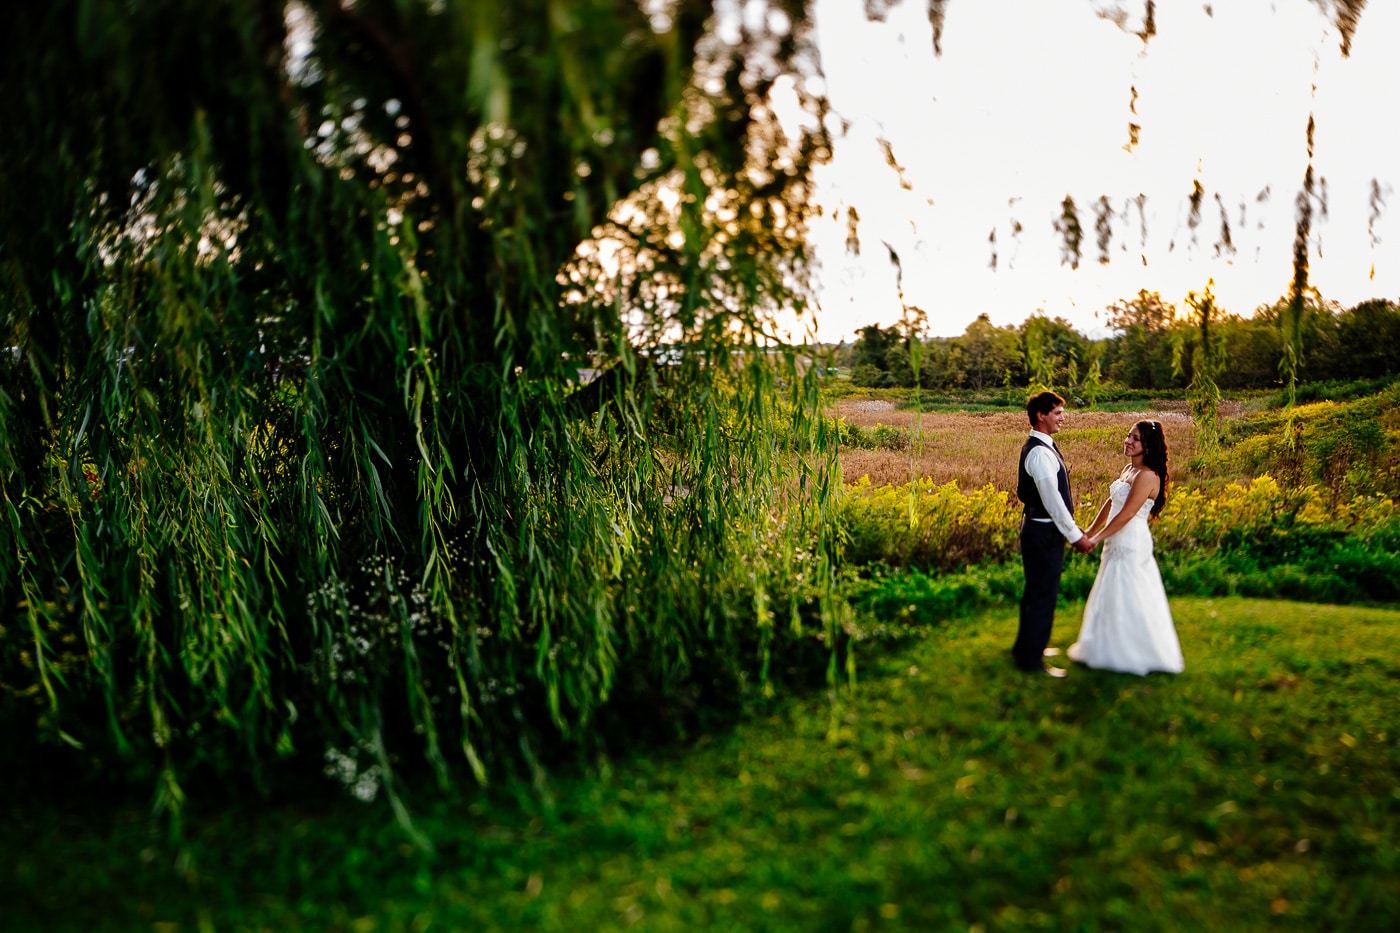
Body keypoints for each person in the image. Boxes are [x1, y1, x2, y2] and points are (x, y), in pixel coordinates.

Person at [1067, 420, 1184, 675]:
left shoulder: (1147, 476)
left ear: (1147, 446)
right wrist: (1089, 531)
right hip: (1115, 537)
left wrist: (1097, 539)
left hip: (1131, 540)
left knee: (1130, 592)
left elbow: (1128, 513)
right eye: (1128, 435)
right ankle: (1107, 646)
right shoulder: (1128, 470)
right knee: (1111, 590)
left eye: (1135, 439)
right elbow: (1111, 504)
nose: (1128, 441)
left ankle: (1136, 651)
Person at [1012, 391, 1092, 676]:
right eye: (1057, 412)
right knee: (1043, 593)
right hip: (1043, 533)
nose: (1062, 417)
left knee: (1036, 591)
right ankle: (1031, 660)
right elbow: (1053, 502)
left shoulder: (1043, 447)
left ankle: (1027, 647)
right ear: (1040, 416)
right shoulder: (1039, 453)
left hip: (1040, 530)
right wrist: (1075, 536)